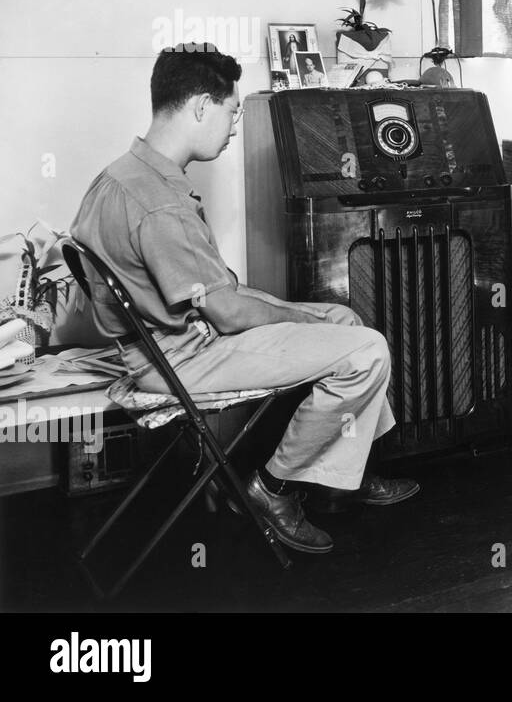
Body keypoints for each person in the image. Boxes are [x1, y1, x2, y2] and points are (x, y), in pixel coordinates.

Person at [70, 43, 417, 555]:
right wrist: (296, 314)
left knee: (342, 317)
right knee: (365, 349)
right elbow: (228, 312)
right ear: (200, 107)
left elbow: (215, 291)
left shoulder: (120, 175)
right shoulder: (159, 204)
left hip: (177, 342)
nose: (235, 125)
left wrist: (307, 314)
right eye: (233, 111)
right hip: (181, 361)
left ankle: (347, 472)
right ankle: (272, 489)